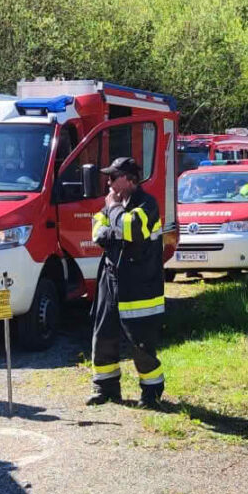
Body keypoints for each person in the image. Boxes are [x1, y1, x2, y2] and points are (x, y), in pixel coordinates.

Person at [88, 156, 167, 410]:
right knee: (103, 335)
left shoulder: (148, 204)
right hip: (111, 279)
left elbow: (132, 230)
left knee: (140, 341)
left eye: (113, 177)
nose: (108, 182)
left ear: (130, 180)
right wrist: (113, 228)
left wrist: (113, 212)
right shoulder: (112, 206)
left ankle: (152, 391)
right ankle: (106, 387)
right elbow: (97, 230)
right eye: (108, 176)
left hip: (140, 284)